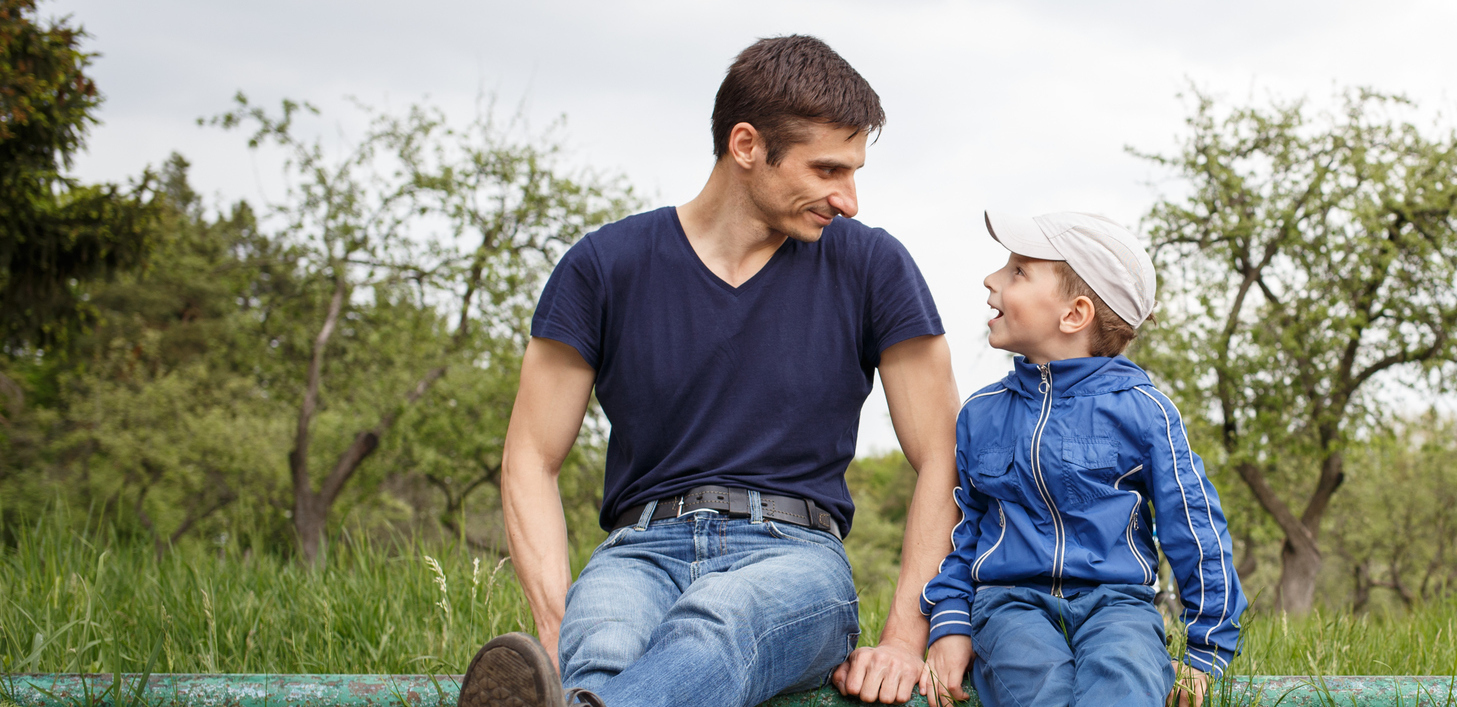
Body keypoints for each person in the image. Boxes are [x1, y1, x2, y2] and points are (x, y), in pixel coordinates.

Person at [455, 35, 962, 707]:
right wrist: (554, 630)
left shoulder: (873, 267)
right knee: (599, 646)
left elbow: (945, 452)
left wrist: (902, 637)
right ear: (746, 145)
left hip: (795, 561)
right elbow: (529, 454)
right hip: (638, 550)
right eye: (828, 170)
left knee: (721, 616)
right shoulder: (603, 267)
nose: (849, 199)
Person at [917, 212, 1246, 707]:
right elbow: (965, 531)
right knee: (1037, 687)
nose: (991, 280)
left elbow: (1195, 529)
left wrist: (1206, 653)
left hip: (1119, 605)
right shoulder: (981, 415)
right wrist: (949, 622)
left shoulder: (1145, 412)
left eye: (1018, 271)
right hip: (1009, 605)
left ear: (1074, 314)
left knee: (1125, 680)